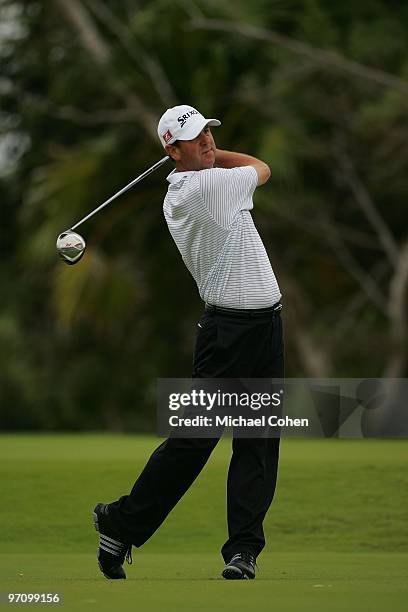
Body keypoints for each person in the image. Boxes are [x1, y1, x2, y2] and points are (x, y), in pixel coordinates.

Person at [93, 104, 284, 581]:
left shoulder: (192, 183)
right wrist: (215, 158)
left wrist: (205, 153)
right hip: (230, 333)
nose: (207, 142)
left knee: (257, 443)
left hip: (263, 326)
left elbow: (225, 162)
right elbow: (261, 168)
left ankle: (243, 551)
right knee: (195, 440)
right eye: (195, 138)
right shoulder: (205, 189)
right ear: (171, 150)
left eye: (208, 134)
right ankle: (119, 521)